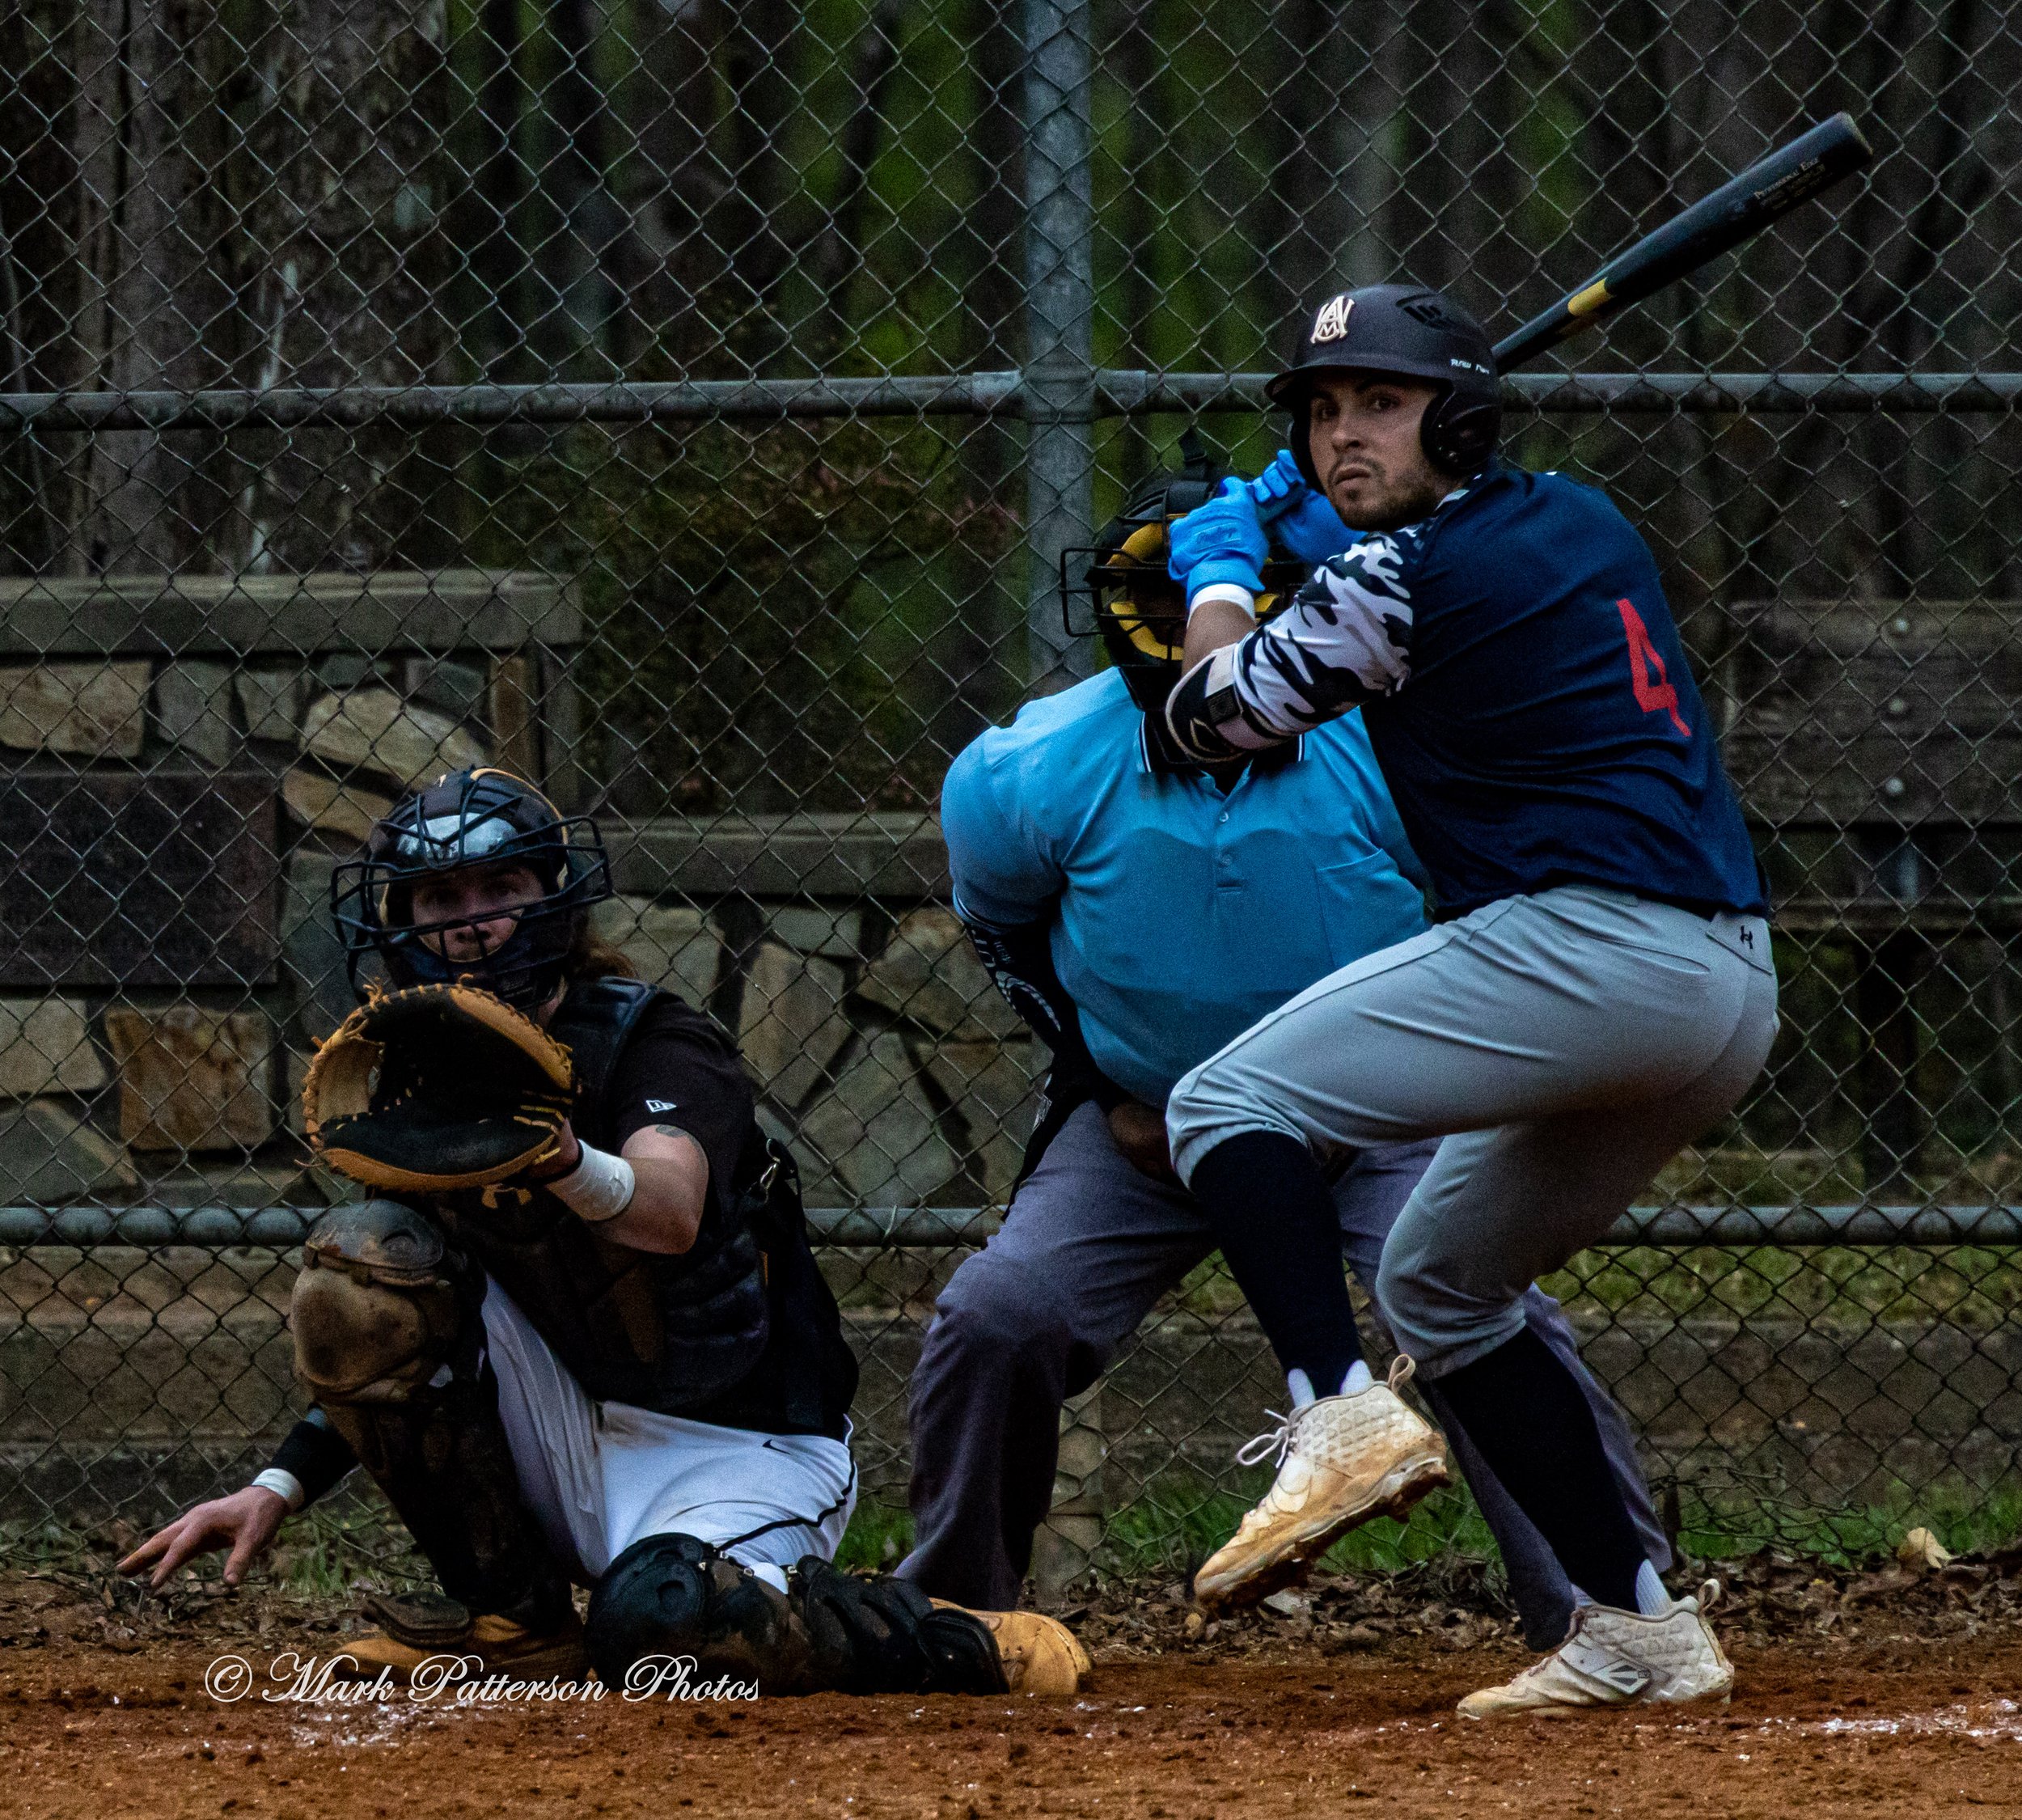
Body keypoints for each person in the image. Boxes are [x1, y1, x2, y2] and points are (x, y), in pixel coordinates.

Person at [899, 459, 1670, 1648]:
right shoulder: (1031, 768)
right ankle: (956, 1614)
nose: (1188, 631)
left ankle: (1608, 1607)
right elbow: (1004, 932)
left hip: (1380, 1111)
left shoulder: (1392, 746)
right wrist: (1105, 1083)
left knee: (1486, 1316)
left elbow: (1481, 914)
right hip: (1148, 1123)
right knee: (997, 1315)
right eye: (1160, 608)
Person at [121, 768, 1087, 1698]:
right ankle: (516, 1625)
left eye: (499, 885)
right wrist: (277, 1485)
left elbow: (667, 1215)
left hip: (736, 1449)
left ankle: (945, 1636)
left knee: (659, 1622)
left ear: (555, 899)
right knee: (363, 1256)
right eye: (437, 896)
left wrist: (558, 1158)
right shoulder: (418, 1073)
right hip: (561, 1426)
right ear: (400, 923)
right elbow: (405, 1320)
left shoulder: (655, 1040)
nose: (469, 919)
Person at [1156, 283, 1776, 1716]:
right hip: (1726, 994)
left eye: (1382, 403)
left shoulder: (1393, 582)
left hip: (1593, 950)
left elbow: (1211, 720)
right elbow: (1436, 584)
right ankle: (1638, 1625)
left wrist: (1222, 578)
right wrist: (1337, 540)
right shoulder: (1582, 520)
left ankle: (1337, 1410)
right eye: (1322, 412)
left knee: (1224, 1101)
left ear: (1463, 416)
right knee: (1441, 1278)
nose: (1342, 433)